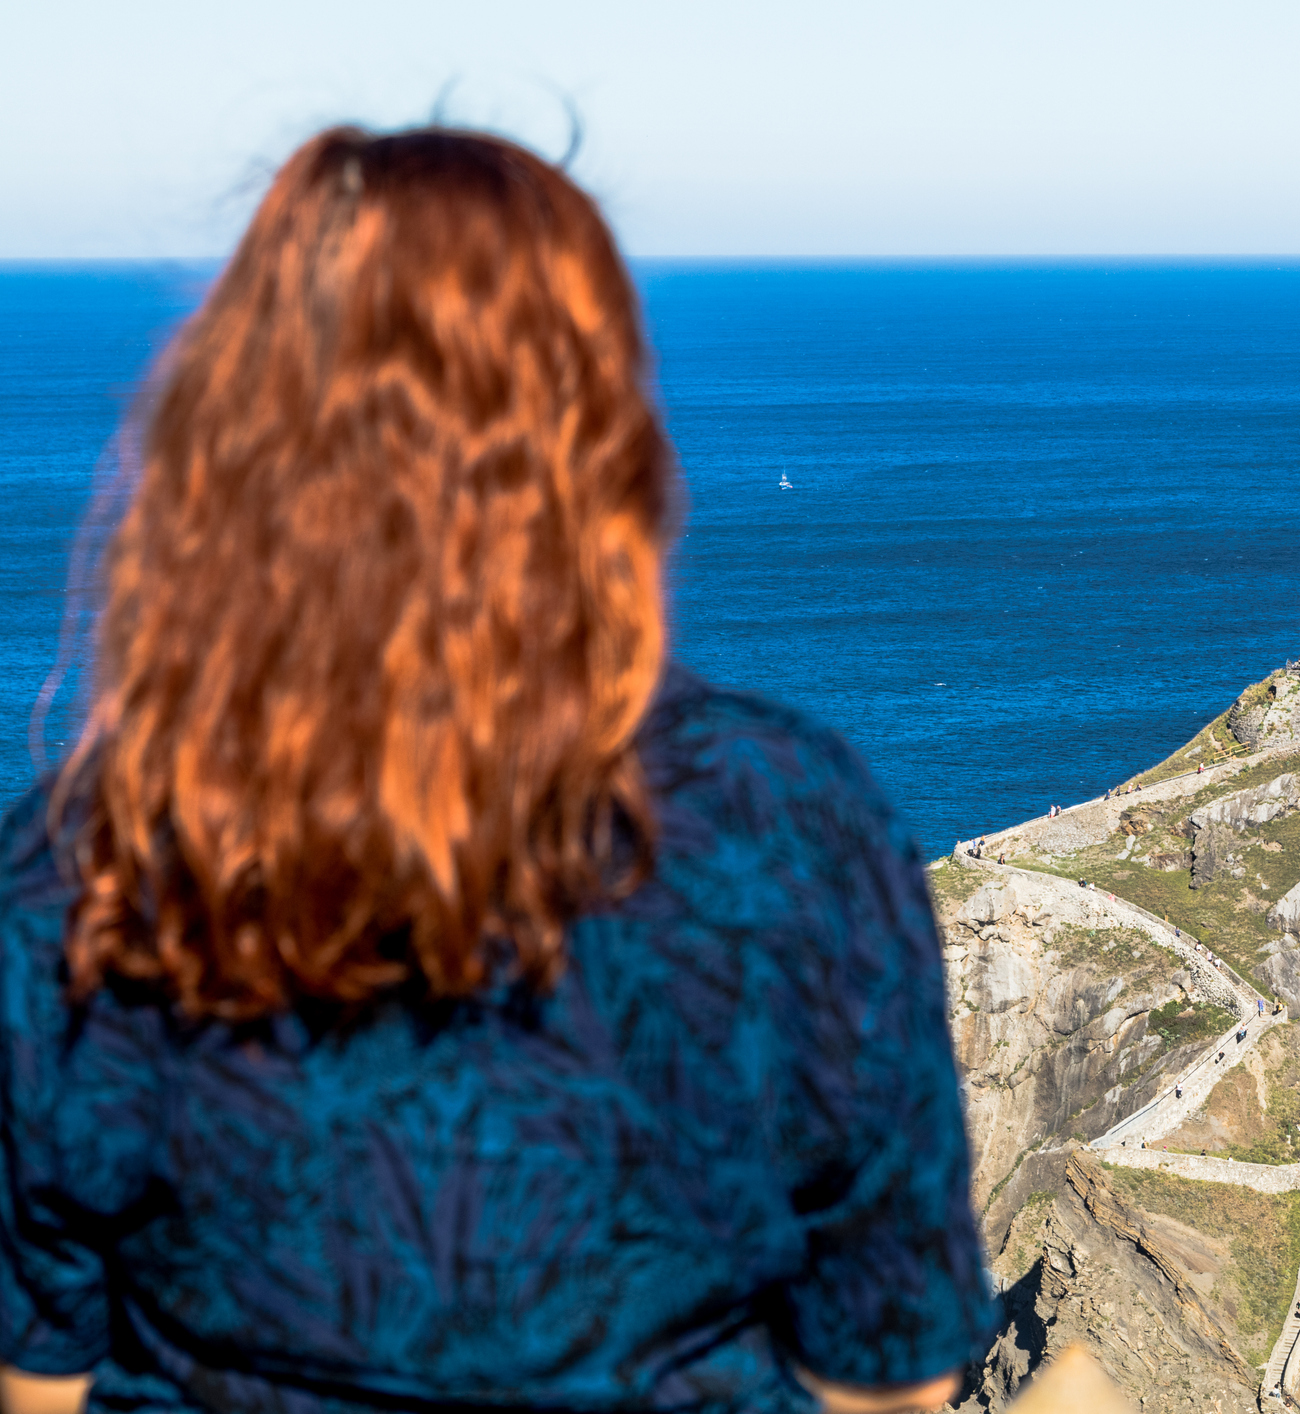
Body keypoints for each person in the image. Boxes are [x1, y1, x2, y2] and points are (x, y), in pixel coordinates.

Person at [0, 128, 991, 1414]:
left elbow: (40, 1379)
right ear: (605, 445)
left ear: (231, 448)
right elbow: (892, 1373)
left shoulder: (90, 865)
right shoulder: (794, 829)